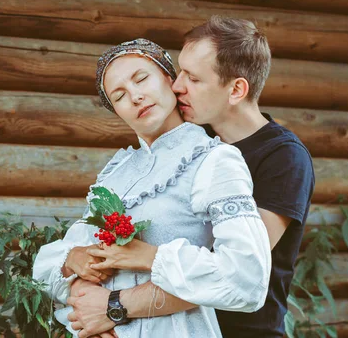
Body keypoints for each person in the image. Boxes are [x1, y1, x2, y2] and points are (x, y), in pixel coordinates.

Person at [64, 18, 315, 338]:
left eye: (193, 78)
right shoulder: (188, 142)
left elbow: (231, 272)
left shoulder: (283, 159)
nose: (177, 85)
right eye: (179, 71)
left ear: (236, 89)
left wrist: (115, 307)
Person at [32, 38, 272, 338]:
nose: (135, 96)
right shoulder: (115, 174)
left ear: (170, 79)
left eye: (141, 79)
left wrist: (150, 258)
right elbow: (48, 274)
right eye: (118, 96)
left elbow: (247, 280)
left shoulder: (213, 159)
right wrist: (73, 263)